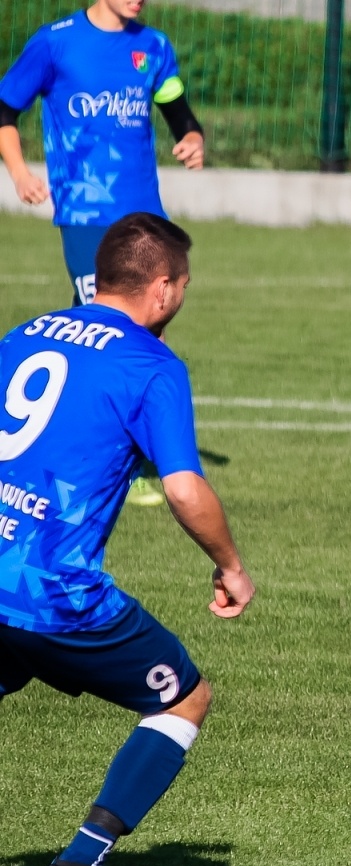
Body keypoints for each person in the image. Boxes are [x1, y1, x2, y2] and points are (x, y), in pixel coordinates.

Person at [0, 212, 254, 866]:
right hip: (56, 593)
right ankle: (81, 863)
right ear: (165, 289)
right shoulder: (153, 366)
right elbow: (181, 487)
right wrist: (231, 565)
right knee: (183, 697)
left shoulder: (21, 336)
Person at [1, 0, 208, 507]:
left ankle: (116, 453)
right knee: (106, 326)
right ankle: (103, 457)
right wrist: (20, 172)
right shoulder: (56, 42)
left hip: (144, 214)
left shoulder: (153, 47)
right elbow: (5, 111)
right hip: (85, 212)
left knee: (138, 330)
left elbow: (177, 108)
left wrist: (193, 136)